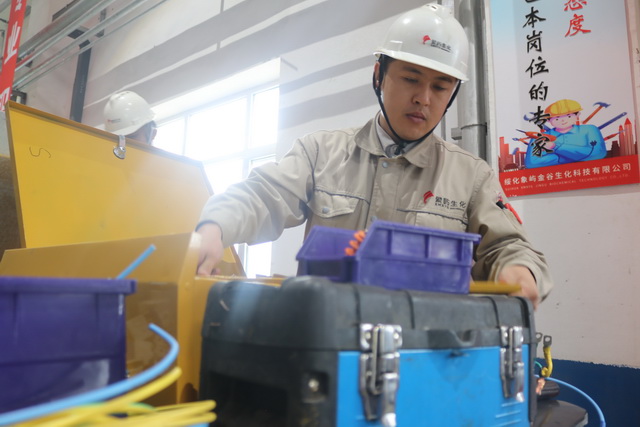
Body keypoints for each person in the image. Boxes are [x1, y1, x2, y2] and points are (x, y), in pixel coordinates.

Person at [196, 3, 553, 308]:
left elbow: (508, 245)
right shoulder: (320, 153)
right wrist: (215, 226)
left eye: (440, 86)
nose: (423, 98)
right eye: (411, 79)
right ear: (379, 74)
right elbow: (262, 196)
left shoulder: (471, 176)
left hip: (424, 348)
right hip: (326, 340)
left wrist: (520, 270)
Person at [525, 99, 607, 168]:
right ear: (549, 120)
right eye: (557, 118)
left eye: (569, 116)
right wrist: (578, 155)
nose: (563, 120)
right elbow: (532, 163)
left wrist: (555, 146)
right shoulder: (538, 138)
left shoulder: (590, 129)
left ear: (577, 115)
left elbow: (598, 154)